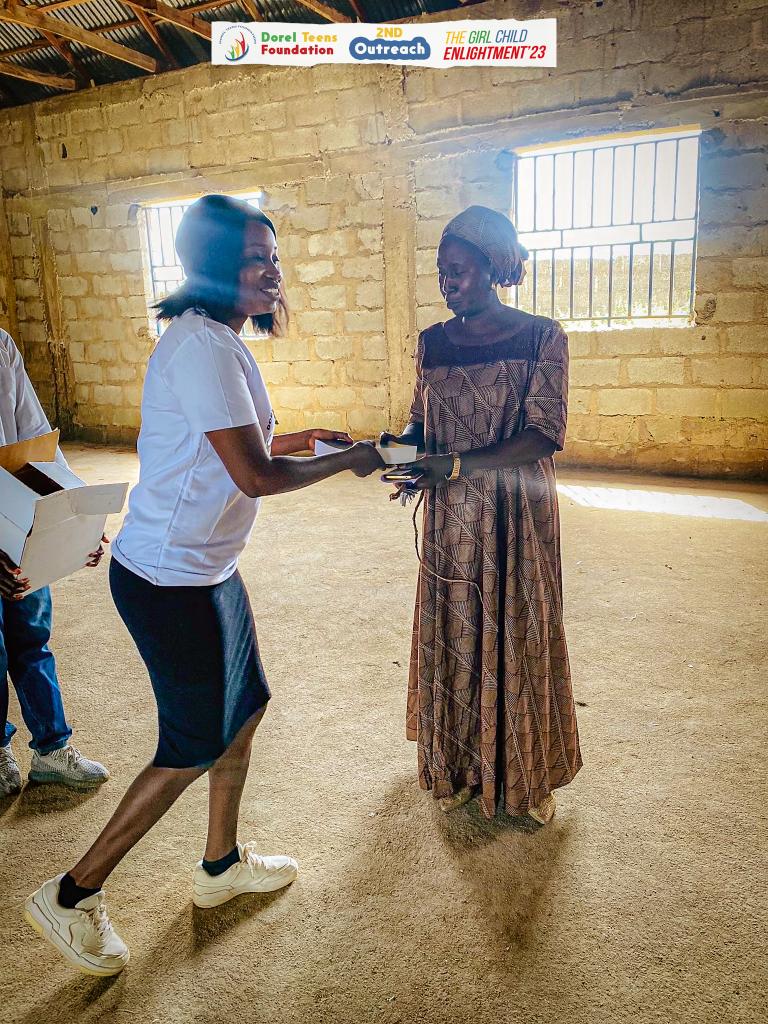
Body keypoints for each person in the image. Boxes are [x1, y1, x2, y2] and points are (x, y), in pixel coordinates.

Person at [24, 194, 383, 977]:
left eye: (274, 257)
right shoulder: (202, 347)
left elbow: (231, 445)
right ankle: (72, 893)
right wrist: (350, 461)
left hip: (207, 568)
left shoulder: (217, 341)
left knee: (244, 708)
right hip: (168, 581)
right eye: (254, 259)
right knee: (189, 747)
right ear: (214, 267)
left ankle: (219, 865)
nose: (272, 272)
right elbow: (254, 475)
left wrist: (305, 438)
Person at [383, 206, 582, 822]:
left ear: (493, 268)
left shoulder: (541, 337)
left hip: (516, 514)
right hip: (451, 520)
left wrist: (456, 465)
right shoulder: (433, 343)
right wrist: (393, 453)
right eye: (442, 272)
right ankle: (464, 766)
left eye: (460, 271)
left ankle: (523, 777)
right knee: (458, 627)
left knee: (516, 628)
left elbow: (544, 433)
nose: (448, 283)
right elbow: (420, 423)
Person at [0, 327, 109, 796]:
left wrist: (75, 515)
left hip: (17, 518)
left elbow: (37, 439)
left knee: (32, 637)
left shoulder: (1, 345)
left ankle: (52, 749)